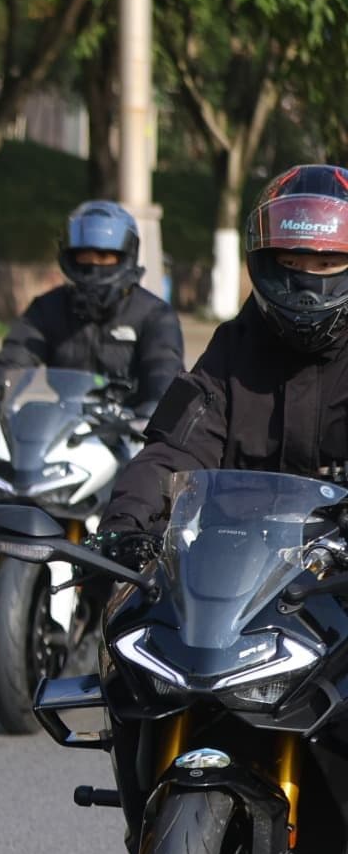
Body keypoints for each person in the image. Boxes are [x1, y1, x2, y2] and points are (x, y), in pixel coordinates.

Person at [97, 165, 348, 563]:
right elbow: (174, 449)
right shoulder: (233, 347)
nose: (307, 285)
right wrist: (126, 524)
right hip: (233, 572)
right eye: (291, 264)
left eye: (326, 265)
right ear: (265, 262)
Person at [0, 199, 185, 428]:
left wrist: (158, 414)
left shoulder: (155, 314)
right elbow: (14, 358)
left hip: (132, 434)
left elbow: (164, 370)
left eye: (104, 257)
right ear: (69, 256)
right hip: (62, 429)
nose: (93, 266)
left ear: (126, 255)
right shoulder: (47, 308)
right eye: (84, 256)